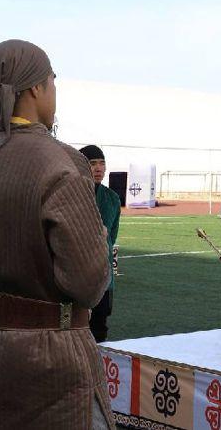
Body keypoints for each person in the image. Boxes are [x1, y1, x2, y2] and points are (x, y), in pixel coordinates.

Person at [0, 39, 114, 428]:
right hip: (53, 361)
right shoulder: (62, 164)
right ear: (35, 88)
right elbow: (88, 283)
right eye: (52, 81)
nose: (54, 91)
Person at [79, 145, 121, 342]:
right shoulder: (72, 195)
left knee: (100, 328)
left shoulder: (112, 199)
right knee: (76, 329)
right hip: (77, 274)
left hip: (103, 276)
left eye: (102, 163)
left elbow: (112, 236)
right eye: (93, 163)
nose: (99, 168)